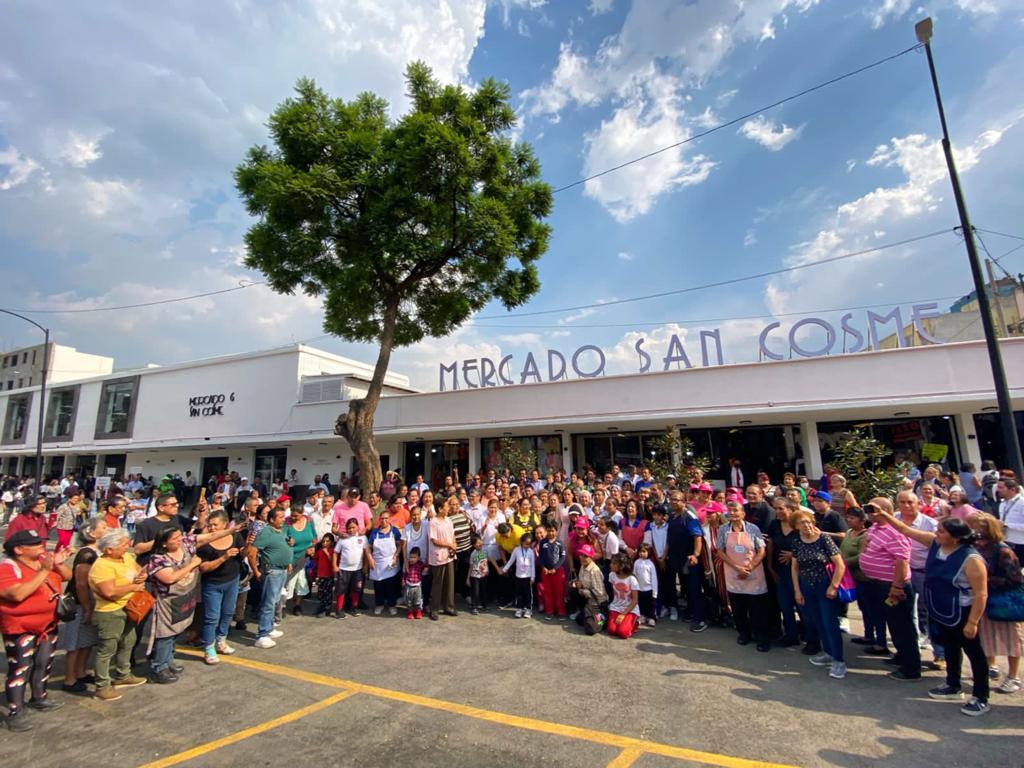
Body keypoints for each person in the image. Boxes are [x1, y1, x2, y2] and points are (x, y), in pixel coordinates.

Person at [880, 510, 992, 716]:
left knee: (975, 654)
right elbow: (905, 530)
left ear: (956, 537)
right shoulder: (935, 545)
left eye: (941, 531)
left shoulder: (971, 560)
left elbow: (981, 594)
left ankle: (980, 696)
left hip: (964, 612)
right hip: (941, 609)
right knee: (950, 648)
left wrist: (973, 622)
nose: (936, 533)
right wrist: (884, 515)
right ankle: (952, 684)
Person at [0, 530, 73, 731]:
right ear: (19, 549)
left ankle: (39, 697)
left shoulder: (43, 560)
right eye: (35, 544)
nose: (42, 546)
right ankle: (16, 711)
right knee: (20, 668)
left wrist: (57, 564)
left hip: (47, 625)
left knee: (43, 662)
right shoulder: (8, 568)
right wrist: (44, 571)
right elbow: (16, 594)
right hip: (20, 628)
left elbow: (67, 576)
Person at [88, 529, 150, 701]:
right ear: (108, 549)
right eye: (123, 545)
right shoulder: (102, 566)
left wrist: (141, 575)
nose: (127, 547)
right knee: (107, 649)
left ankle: (123, 674)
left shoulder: (125, 558)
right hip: (110, 612)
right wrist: (133, 587)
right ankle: (102, 686)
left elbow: (139, 570)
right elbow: (109, 592)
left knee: (127, 641)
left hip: (129, 608)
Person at [967, 512, 1022, 695]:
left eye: (978, 527)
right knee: (985, 637)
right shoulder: (973, 547)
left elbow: (1015, 579)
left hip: (1004, 602)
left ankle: (1013, 676)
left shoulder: (1003, 550)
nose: (974, 530)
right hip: (982, 599)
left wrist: (984, 581)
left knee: (1011, 640)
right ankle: (991, 666)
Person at [791, 509, 847, 680]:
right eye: (802, 522)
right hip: (807, 585)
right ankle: (828, 652)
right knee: (817, 621)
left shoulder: (824, 539)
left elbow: (840, 565)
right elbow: (794, 567)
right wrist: (797, 591)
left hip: (825, 584)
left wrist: (834, 586)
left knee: (830, 622)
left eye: (808, 521)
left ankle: (839, 661)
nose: (806, 525)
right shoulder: (796, 542)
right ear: (796, 526)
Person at [144, 526, 203, 683]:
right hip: (166, 602)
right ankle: (159, 666)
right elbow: (169, 578)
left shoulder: (185, 548)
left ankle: (169, 660)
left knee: (176, 631)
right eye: (174, 538)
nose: (179, 540)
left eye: (179, 536)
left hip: (182, 599)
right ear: (164, 543)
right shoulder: (157, 559)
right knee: (165, 635)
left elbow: (207, 537)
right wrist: (192, 565)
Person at [57, 517, 108, 693]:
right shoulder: (87, 554)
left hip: (91, 602)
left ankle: (81, 672)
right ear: (92, 533)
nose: (107, 529)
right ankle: (69, 678)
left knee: (86, 641)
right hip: (80, 603)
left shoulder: (95, 551)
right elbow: (80, 584)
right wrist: (87, 607)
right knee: (74, 643)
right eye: (103, 527)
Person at [717, 500, 770, 652]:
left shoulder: (753, 528)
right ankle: (744, 634)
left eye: (735, 511)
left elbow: (761, 550)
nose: (732, 514)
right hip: (733, 572)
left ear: (743, 513)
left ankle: (762, 638)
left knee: (757, 609)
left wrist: (749, 567)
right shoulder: (723, 530)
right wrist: (736, 567)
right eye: (730, 511)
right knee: (738, 607)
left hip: (753, 572)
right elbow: (720, 550)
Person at [197, 509, 246, 665]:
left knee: (227, 613)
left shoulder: (236, 537)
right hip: (213, 584)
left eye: (215, 525)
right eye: (209, 525)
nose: (212, 528)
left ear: (225, 524)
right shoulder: (205, 543)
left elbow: (243, 555)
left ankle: (221, 641)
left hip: (232, 581)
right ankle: (209, 648)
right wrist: (224, 557)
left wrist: (249, 547)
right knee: (211, 617)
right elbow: (203, 568)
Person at [841, 507, 886, 656]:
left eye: (853, 518)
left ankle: (880, 642)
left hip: (865, 578)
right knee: (863, 608)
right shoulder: (849, 533)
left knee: (874, 610)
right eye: (848, 517)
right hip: (852, 578)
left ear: (862, 521)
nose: (849, 520)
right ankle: (868, 635)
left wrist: (843, 563)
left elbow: (861, 556)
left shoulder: (865, 535)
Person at [665, 490, 707, 632]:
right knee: (685, 588)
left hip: (689, 559)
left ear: (684, 502)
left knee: (694, 589)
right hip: (676, 558)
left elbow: (698, 537)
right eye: (672, 499)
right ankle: (689, 611)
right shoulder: (672, 517)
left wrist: (695, 554)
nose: (673, 502)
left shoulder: (689, 516)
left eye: (677, 499)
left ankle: (700, 619)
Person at [249, 507, 291, 649]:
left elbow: (284, 544)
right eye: (280, 517)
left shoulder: (282, 530)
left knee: (275, 601)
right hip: (272, 571)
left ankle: (269, 627)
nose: (283, 519)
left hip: (282, 570)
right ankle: (262, 635)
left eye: (283, 516)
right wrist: (256, 571)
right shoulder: (265, 532)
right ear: (271, 519)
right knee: (268, 602)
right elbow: (252, 552)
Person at [281, 503, 316, 617]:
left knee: (302, 583)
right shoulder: (287, 522)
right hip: (291, 557)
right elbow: (282, 537)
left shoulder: (309, 521)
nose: (293, 517)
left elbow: (314, 538)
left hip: (306, 557)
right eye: (292, 515)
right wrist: (288, 541)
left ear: (302, 514)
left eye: (296, 516)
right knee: (288, 584)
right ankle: (281, 606)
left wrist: (312, 548)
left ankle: (297, 604)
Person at [367, 509, 402, 616]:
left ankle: (392, 605)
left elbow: (400, 545)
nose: (384, 521)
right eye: (382, 518)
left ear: (389, 519)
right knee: (378, 586)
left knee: (391, 585)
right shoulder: (374, 532)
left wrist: (396, 556)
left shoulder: (394, 531)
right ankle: (379, 604)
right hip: (377, 563)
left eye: (386, 518)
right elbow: (368, 548)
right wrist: (370, 559)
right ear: (379, 519)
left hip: (391, 562)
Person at [428, 500, 457, 620]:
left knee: (449, 583)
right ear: (440, 509)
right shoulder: (433, 522)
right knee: (437, 583)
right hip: (438, 556)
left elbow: (452, 535)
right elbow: (434, 540)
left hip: (449, 556)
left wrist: (453, 545)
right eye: (446, 506)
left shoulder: (448, 520)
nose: (448, 508)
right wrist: (449, 545)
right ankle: (434, 609)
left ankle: (448, 607)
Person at [332, 519, 366, 618]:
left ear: (357, 527)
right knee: (341, 590)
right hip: (343, 569)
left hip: (357, 569)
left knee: (356, 589)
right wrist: (335, 566)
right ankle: (339, 610)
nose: (351, 530)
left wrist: (365, 566)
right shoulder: (342, 539)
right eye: (349, 528)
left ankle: (354, 608)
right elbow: (335, 553)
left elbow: (366, 552)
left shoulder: (362, 538)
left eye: (353, 527)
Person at [571, 544, 607, 635]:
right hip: (587, 599)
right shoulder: (583, 566)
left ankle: (603, 618)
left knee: (590, 629)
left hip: (597, 602)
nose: (582, 558)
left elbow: (599, 593)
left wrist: (582, 590)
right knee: (579, 620)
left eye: (585, 556)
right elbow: (583, 582)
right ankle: (584, 612)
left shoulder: (594, 571)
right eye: (581, 555)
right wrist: (577, 583)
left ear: (591, 557)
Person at [502, 532, 536, 619]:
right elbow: (511, 561)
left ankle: (528, 609)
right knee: (518, 593)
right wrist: (504, 569)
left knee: (528, 594)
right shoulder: (516, 550)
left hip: (527, 577)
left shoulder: (531, 552)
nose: (527, 545)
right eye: (526, 543)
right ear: (521, 542)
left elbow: (532, 565)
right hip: (518, 577)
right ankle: (519, 608)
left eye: (529, 544)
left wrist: (533, 577)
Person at [606, 553, 640, 639]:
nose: (611, 565)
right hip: (616, 606)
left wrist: (623, 614)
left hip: (629, 609)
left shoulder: (632, 579)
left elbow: (635, 600)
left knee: (623, 633)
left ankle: (635, 623)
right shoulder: (612, 575)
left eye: (613, 563)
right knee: (612, 630)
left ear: (621, 566)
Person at [538, 524, 567, 619]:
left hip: (558, 572)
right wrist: (543, 567)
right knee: (548, 592)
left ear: (556, 531)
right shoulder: (543, 542)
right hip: (546, 572)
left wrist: (556, 568)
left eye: (553, 531)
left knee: (559, 592)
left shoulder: (560, 543)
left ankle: (561, 611)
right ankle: (549, 611)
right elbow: (541, 557)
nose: (551, 533)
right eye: (549, 530)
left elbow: (563, 557)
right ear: (546, 531)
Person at [997, 478, 1024, 561]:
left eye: (1001, 487)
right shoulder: (1002, 504)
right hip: (1006, 542)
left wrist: (1006, 525)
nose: (998, 490)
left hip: (1020, 543)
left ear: (1012, 489)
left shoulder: (1022, 503)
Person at [311, 533, 337, 618]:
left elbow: (332, 561)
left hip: (329, 575)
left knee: (328, 592)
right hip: (320, 575)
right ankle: (321, 607)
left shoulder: (333, 551)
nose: (325, 543)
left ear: (332, 542)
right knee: (321, 592)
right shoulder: (320, 551)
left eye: (327, 541)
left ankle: (327, 608)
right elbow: (315, 559)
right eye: (323, 541)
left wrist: (327, 553)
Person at [633, 542, 658, 627]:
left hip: (649, 589)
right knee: (641, 603)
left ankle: (651, 618)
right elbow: (634, 574)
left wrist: (655, 592)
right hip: (640, 588)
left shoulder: (650, 564)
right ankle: (642, 616)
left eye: (644, 552)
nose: (642, 553)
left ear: (648, 552)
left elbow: (654, 578)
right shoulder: (636, 562)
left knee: (651, 604)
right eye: (640, 551)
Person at [467, 534, 489, 614]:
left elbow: (487, 561)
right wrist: (468, 578)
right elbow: (471, 566)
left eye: (480, 542)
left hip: (484, 575)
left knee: (484, 590)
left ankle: (484, 605)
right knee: (475, 592)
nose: (480, 544)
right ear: (473, 545)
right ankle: (474, 607)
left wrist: (488, 570)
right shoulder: (473, 554)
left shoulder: (485, 551)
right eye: (477, 543)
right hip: (475, 576)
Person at [403, 546, 426, 620]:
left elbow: (426, 566)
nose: (412, 559)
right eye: (411, 557)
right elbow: (404, 574)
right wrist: (403, 581)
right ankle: (410, 612)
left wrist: (426, 568)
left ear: (418, 557)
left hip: (417, 585)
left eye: (414, 557)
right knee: (409, 599)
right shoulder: (408, 564)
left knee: (418, 599)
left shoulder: (420, 564)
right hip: (409, 585)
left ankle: (418, 611)